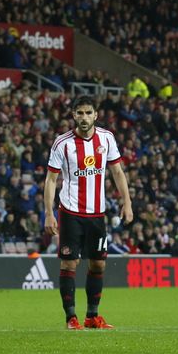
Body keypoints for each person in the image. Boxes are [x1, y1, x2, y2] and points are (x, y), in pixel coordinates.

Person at [44, 95, 133, 330]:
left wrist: (127, 202)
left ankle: (92, 316)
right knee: (69, 264)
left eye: (88, 113)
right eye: (79, 113)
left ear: (96, 115)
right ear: (74, 115)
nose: (84, 117)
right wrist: (49, 213)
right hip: (71, 212)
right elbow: (51, 180)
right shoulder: (62, 143)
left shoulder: (106, 138)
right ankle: (71, 318)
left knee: (98, 266)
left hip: (97, 214)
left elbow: (117, 172)